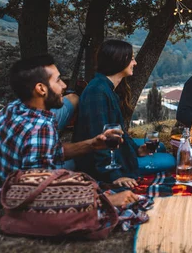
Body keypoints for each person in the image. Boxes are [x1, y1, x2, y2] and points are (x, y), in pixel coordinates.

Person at [0, 54, 123, 193]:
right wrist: (104, 197)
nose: (64, 85)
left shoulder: (15, 107)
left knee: (74, 165)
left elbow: (52, 151)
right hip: (8, 192)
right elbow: (39, 192)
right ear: (41, 88)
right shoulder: (40, 128)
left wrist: (92, 144)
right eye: (58, 80)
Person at [73, 40, 175, 189]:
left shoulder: (107, 88)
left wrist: (137, 149)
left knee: (159, 146)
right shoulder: (97, 92)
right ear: (119, 61)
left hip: (117, 149)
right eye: (132, 58)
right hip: (98, 165)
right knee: (170, 160)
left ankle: (137, 153)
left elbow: (119, 132)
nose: (135, 63)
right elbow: (99, 140)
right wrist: (114, 176)